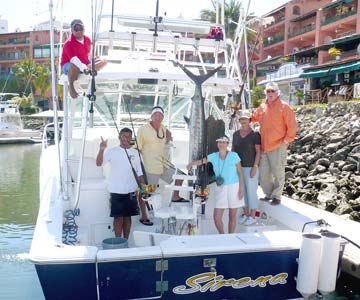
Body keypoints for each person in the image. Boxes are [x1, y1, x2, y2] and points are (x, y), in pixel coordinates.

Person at [251, 82, 297, 205]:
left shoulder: (284, 107)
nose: (270, 93)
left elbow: (292, 126)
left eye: (273, 91)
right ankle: (268, 194)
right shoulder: (262, 107)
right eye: (268, 91)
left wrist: (286, 141)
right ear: (265, 93)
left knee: (278, 173)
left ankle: (277, 196)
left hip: (278, 146)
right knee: (264, 175)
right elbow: (253, 117)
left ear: (277, 93)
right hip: (264, 146)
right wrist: (243, 116)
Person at [187, 136, 244, 234]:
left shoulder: (234, 155)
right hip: (221, 187)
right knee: (216, 217)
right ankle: (222, 235)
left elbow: (241, 173)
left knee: (232, 214)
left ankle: (231, 236)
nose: (221, 144)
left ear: (227, 144)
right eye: (219, 142)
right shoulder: (213, 156)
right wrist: (191, 164)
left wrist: (241, 189)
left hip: (234, 187)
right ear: (217, 144)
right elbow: (202, 161)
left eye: (224, 142)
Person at [96, 127, 143, 239]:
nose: (126, 139)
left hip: (131, 190)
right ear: (119, 137)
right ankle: (118, 241)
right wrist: (102, 149)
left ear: (131, 138)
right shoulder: (111, 151)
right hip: (116, 190)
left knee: (127, 217)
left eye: (128, 136)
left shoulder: (136, 153)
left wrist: (143, 189)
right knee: (118, 218)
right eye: (123, 136)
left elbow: (140, 173)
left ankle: (125, 240)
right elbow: (99, 163)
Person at [136, 106, 184, 211]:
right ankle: (144, 214)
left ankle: (175, 197)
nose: (158, 117)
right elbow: (137, 148)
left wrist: (168, 138)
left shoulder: (163, 128)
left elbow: (165, 141)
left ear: (162, 117)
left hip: (163, 164)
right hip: (150, 166)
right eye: (156, 115)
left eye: (160, 115)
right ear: (151, 117)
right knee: (146, 192)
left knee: (180, 176)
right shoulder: (143, 129)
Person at [61, 19, 107, 99]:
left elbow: (87, 54)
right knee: (75, 65)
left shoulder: (88, 40)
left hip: (84, 63)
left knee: (104, 61)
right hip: (69, 64)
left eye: (81, 28)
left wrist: (91, 61)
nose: (79, 31)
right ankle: (71, 86)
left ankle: (89, 73)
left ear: (84, 29)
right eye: (76, 29)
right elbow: (74, 59)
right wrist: (84, 68)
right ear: (72, 30)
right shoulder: (68, 43)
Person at [232, 110, 261, 226]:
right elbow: (233, 150)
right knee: (241, 191)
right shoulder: (235, 134)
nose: (243, 122)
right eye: (241, 120)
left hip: (250, 167)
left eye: (246, 119)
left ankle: (253, 216)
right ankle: (246, 214)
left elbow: (258, 152)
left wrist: (255, 167)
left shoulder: (255, 135)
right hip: (238, 168)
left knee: (251, 192)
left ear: (249, 120)